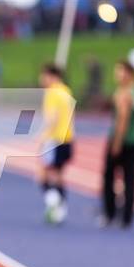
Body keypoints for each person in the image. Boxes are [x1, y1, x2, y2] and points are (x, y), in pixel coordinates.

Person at [101, 61, 134, 229]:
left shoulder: (125, 93)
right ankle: (127, 217)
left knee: (109, 176)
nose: (117, 74)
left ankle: (110, 213)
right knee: (130, 178)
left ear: (128, 73)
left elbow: (123, 119)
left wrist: (117, 143)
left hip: (121, 140)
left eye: (120, 71)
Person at [38, 64, 75, 224]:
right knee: (58, 175)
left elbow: (53, 118)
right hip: (67, 138)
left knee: (44, 174)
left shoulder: (52, 92)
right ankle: (60, 206)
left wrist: (42, 137)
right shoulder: (66, 91)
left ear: (51, 75)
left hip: (55, 139)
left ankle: (55, 205)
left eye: (43, 75)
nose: (41, 79)